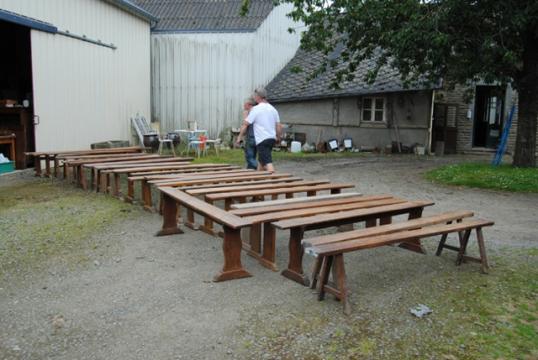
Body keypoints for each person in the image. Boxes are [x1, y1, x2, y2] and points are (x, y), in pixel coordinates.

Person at [236, 87, 282, 172]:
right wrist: (278, 138)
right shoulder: (273, 109)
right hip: (271, 139)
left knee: (268, 163)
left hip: (262, 140)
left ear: (258, 97)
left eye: (254, 96)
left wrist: (239, 137)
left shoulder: (256, 109)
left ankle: (274, 182)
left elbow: (245, 124)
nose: (254, 98)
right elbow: (278, 126)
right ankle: (257, 179)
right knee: (261, 162)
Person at [236, 97, 258, 169]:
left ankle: (260, 167)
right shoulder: (258, 112)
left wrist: (239, 137)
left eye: (244, 104)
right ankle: (250, 172)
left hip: (251, 137)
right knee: (253, 156)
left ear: (249, 105)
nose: (243, 106)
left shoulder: (250, 113)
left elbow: (245, 126)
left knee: (249, 157)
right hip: (259, 137)